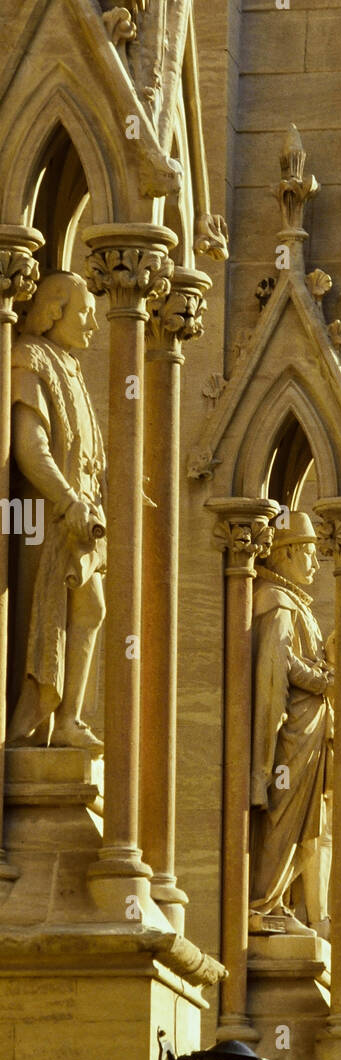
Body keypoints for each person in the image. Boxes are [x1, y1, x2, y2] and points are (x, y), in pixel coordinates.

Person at [9, 271, 106, 748]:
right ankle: (37, 723)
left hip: (77, 521)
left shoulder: (68, 365)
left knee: (91, 609)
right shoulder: (29, 357)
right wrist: (67, 499)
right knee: (58, 611)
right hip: (37, 520)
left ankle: (64, 720)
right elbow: (30, 446)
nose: (93, 325)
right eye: (85, 314)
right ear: (53, 311)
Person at [249, 512, 333, 934]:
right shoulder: (276, 601)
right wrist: (324, 678)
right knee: (282, 819)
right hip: (291, 736)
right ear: (287, 553)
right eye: (311, 554)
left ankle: (276, 902)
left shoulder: (293, 601)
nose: (317, 565)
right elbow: (276, 663)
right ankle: (262, 902)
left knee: (300, 822)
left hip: (308, 735)